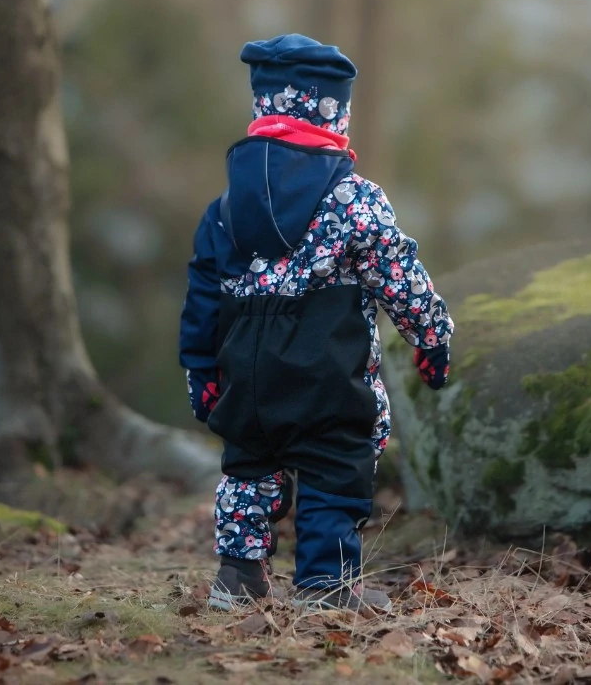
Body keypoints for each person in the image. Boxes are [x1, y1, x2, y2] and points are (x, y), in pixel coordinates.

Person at [179, 34, 454, 612]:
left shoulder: (226, 207)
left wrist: (201, 369)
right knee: (335, 465)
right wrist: (432, 338)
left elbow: (204, 294)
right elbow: (399, 276)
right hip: (328, 367)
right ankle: (325, 586)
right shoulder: (355, 199)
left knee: (249, 467)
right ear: (335, 113)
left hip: (246, 372)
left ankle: (238, 577)